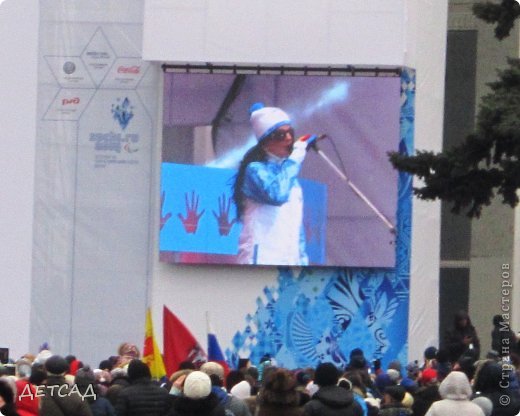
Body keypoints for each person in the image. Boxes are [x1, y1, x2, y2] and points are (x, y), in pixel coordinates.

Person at [232, 102, 316, 265]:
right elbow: (277, 194)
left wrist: (302, 261)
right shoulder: (255, 170)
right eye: (280, 135)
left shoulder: (289, 175)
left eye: (290, 132)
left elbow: (295, 225)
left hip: (289, 262)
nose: (289, 139)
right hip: (262, 258)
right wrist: (294, 159)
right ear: (265, 142)